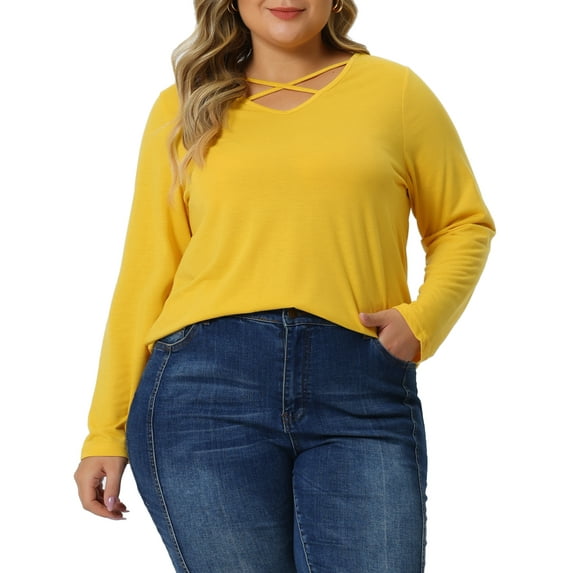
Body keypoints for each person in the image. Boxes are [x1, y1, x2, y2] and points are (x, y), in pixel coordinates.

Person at [74, 1, 495, 571]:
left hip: (359, 387)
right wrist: (106, 432)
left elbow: (463, 224)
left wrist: (422, 322)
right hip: (203, 394)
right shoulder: (184, 107)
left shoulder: (395, 93)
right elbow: (147, 271)